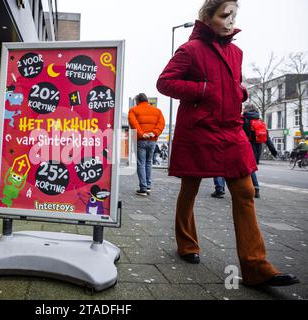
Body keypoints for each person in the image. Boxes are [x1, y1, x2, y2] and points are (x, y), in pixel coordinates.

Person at [156, 0, 298, 286]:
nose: (231, 20)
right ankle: (187, 244)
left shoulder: (237, 52)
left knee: (245, 191)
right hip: (199, 129)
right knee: (190, 187)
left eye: (234, 15)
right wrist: (204, 89)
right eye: (224, 15)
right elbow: (164, 83)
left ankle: (255, 266)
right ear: (207, 18)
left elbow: (233, 82)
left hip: (231, 130)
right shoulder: (189, 50)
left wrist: (239, 91)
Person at [128, 93, 165, 196]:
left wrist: (142, 134)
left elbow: (133, 123)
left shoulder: (133, 110)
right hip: (152, 140)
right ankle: (148, 186)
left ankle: (143, 188)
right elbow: (161, 123)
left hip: (141, 140)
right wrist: (154, 133)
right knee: (149, 162)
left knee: (141, 163)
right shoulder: (157, 111)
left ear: (137, 101)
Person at [242, 105, 278, 198]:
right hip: (258, 150)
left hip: (247, 148)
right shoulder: (260, 122)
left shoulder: (244, 120)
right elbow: (267, 139)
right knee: (250, 169)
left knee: (248, 169)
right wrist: (274, 151)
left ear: (246, 110)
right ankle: (250, 188)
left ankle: (255, 188)